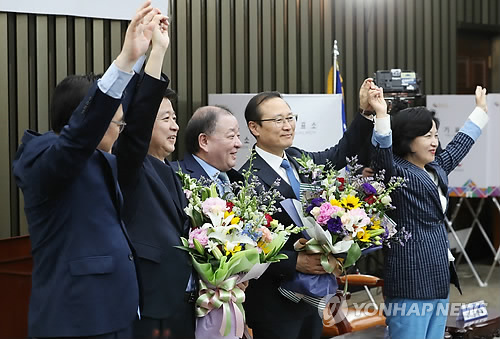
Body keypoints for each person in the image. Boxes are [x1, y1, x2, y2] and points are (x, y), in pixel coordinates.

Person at [11, 2, 157, 338]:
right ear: (86, 117)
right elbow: (79, 137)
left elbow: (136, 129)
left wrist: (150, 55)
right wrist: (124, 60)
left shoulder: (104, 158)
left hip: (119, 311)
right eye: (113, 119)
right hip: (77, 319)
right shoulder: (39, 155)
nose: (120, 124)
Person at [239, 89, 375, 339]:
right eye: (278, 120)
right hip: (274, 302)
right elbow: (249, 248)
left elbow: (339, 154)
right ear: (254, 127)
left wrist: (365, 113)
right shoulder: (247, 178)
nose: (288, 126)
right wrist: (295, 261)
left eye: (290, 118)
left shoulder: (297, 159)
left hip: (311, 297)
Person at [369, 85, 489, 339]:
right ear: (408, 139)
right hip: (409, 277)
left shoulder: (435, 167)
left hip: (438, 275)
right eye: (427, 136)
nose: (435, 142)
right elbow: (381, 155)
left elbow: (459, 146)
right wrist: (381, 115)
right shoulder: (396, 172)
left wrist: (479, 111)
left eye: (435, 135)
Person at [112, 14, 195, 339]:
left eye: (176, 117)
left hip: (183, 299)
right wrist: (155, 51)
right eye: (166, 118)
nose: (176, 126)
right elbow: (140, 110)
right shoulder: (128, 164)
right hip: (151, 302)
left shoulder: (169, 170)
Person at [174, 105, 244, 194]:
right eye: (231, 136)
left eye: (238, 136)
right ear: (204, 141)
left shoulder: (237, 180)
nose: (239, 144)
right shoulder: (176, 178)